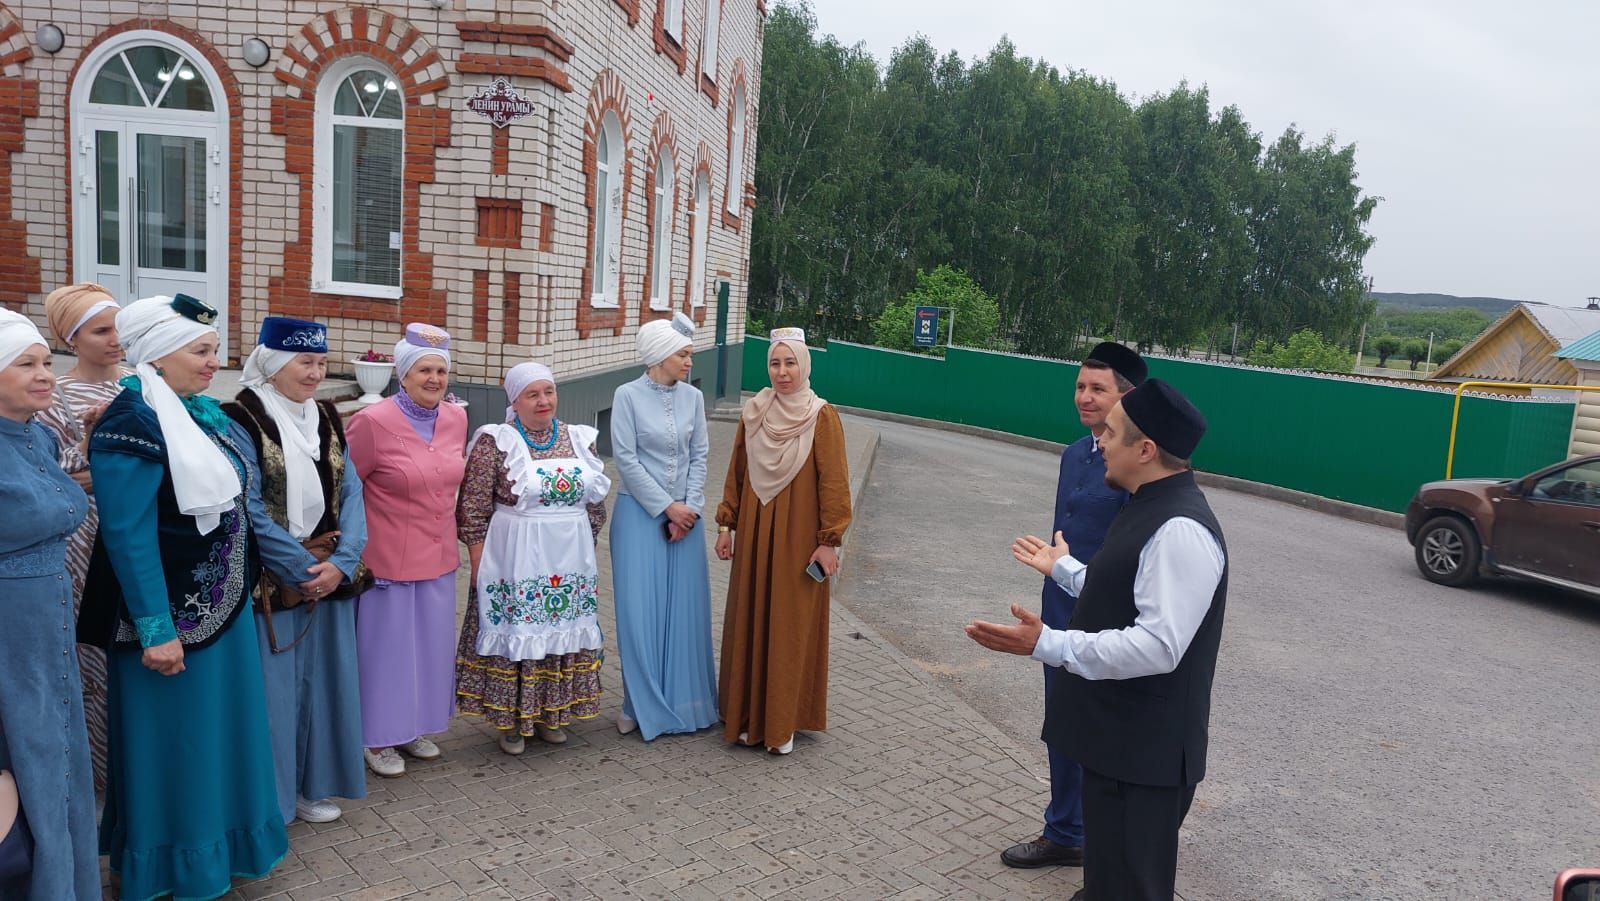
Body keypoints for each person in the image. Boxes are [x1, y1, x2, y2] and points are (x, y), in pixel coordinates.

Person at [966, 378, 1228, 901]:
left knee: (1131, 888)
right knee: (1107, 883)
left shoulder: (1181, 529)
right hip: (1120, 747)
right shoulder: (1147, 503)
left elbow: (1158, 644)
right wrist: (1064, 570)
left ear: (1146, 449)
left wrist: (1048, 644)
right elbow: (1128, 591)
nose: (1100, 441)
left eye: (1111, 432)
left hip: (1147, 760)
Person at [85, 294, 287, 900]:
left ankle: (218, 856)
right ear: (157, 354)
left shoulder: (196, 412)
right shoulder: (132, 424)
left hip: (218, 615)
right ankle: (171, 867)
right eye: (200, 350)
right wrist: (155, 629)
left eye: (214, 349)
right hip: (170, 626)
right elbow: (126, 535)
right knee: (176, 746)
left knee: (220, 740)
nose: (213, 361)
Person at [1001, 341, 1146, 871]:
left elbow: (1135, 549)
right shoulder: (1074, 453)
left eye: (1097, 389)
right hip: (1059, 609)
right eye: (1080, 386)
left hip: (1107, 617)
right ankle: (1065, 831)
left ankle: (1104, 839)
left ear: (1126, 398)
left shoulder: (1138, 463)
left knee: (1102, 735)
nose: (1084, 397)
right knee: (1061, 726)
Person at [224, 317, 368, 825]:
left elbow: (351, 490)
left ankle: (312, 786)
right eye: (304, 362)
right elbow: (246, 505)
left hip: (326, 575)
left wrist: (343, 563)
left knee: (324, 685)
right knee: (275, 693)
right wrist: (303, 566)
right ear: (273, 363)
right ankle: (274, 800)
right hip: (275, 583)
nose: (314, 373)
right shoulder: (239, 417)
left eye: (321, 362)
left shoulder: (327, 415)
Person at [456, 362, 610, 752]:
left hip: (568, 558)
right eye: (533, 394)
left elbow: (594, 505)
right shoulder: (496, 441)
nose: (544, 401)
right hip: (515, 559)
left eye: (549, 392)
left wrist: (583, 550)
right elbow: (473, 506)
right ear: (515, 400)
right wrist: (478, 562)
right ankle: (511, 721)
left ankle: (551, 714)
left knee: (561, 633)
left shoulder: (579, 438)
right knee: (518, 633)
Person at [715, 327, 852, 755]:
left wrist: (829, 541)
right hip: (756, 533)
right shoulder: (753, 411)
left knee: (789, 623)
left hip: (797, 537)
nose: (782, 372)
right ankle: (744, 718)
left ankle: (781, 723)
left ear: (804, 365)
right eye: (775, 363)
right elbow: (737, 470)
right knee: (751, 614)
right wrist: (726, 525)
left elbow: (834, 483)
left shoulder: (821, 415)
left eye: (790, 362)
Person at [0, 309, 97, 900]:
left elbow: (59, 499)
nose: (46, 375)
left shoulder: (37, 434)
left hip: (48, 623)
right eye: (26, 364)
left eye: (46, 362)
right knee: (22, 758)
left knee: (55, 755)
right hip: (8, 633)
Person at [345, 323, 467, 777]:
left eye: (440, 370)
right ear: (402, 374)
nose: (434, 379)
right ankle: (376, 736)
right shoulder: (373, 422)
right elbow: (348, 490)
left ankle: (412, 725)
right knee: (386, 652)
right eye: (423, 371)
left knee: (429, 650)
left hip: (437, 556)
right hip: (388, 558)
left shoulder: (456, 418)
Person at [34, 282, 128, 795]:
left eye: (118, 327)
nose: (116, 340)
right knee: (92, 657)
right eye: (101, 331)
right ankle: (99, 780)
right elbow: (54, 480)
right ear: (71, 338)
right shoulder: (56, 399)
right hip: (84, 540)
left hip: (138, 535)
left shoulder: (138, 384)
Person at [609, 312, 719, 740]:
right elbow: (625, 459)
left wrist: (688, 509)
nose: (690, 362)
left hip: (686, 522)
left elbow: (700, 456)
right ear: (659, 356)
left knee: (684, 612)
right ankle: (638, 703)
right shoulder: (626, 395)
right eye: (684, 354)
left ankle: (684, 701)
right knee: (640, 614)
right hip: (639, 516)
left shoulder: (693, 398)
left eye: (690, 354)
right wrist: (667, 508)